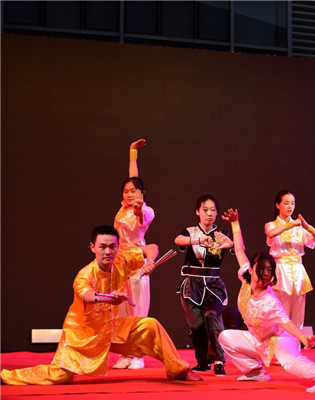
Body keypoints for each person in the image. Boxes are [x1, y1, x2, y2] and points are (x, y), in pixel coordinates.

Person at [0, 225, 200, 385]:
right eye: (102, 247)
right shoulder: (84, 275)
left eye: (112, 246)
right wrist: (109, 297)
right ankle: (6, 376)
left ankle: (179, 370)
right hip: (83, 335)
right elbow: (88, 296)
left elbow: (152, 247)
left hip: (111, 328)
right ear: (92, 247)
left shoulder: (122, 259)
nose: (108, 251)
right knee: (60, 376)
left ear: (118, 246)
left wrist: (149, 261)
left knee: (150, 326)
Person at [219, 208, 315, 393]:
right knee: (225, 337)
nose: (266, 273)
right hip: (258, 339)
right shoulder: (246, 280)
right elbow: (239, 249)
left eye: (270, 270)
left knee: (291, 364)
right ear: (252, 269)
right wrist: (235, 223)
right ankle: (255, 372)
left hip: (278, 340)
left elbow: (285, 322)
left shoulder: (270, 301)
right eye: (262, 269)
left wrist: (303, 337)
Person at [174, 194, 233, 376]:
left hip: (213, 285)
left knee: (213, 319)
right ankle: (202, 362)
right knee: (197, 325)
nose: (209, 214)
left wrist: (230, 244)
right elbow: (178, 240)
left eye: (213, 210)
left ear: (216, 214)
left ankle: (219, 361)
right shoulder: (190, 232)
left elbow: (235, 247)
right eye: (205, 210)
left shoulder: (222, 235)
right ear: (197, 212)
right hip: (192, 286)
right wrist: (198, 240)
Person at [113, 138, 156, 370]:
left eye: (134, 191)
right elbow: (133, 178)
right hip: (120, 265)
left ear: (142, 193)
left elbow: (140, 214)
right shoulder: (122, 209)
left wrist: (138, 208)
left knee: (137, 308)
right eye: (126, 191)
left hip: (137, 264)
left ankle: (138, 354)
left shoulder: (145, 211)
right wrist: (132, 153)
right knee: (121, 309)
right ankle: (125, 353)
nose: (129, 194)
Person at [264, 189, 315, 329]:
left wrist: (307, 227)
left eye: (292, 203)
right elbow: (271, 233)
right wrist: (290, 224)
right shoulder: (272, 224)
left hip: (298, 270)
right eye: (286, 203)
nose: (290, 206)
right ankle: (279, 340)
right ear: (278, 205)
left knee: (298, 310)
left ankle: (296, 340)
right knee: (280, 309)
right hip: (281, 270)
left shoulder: (299, 227)